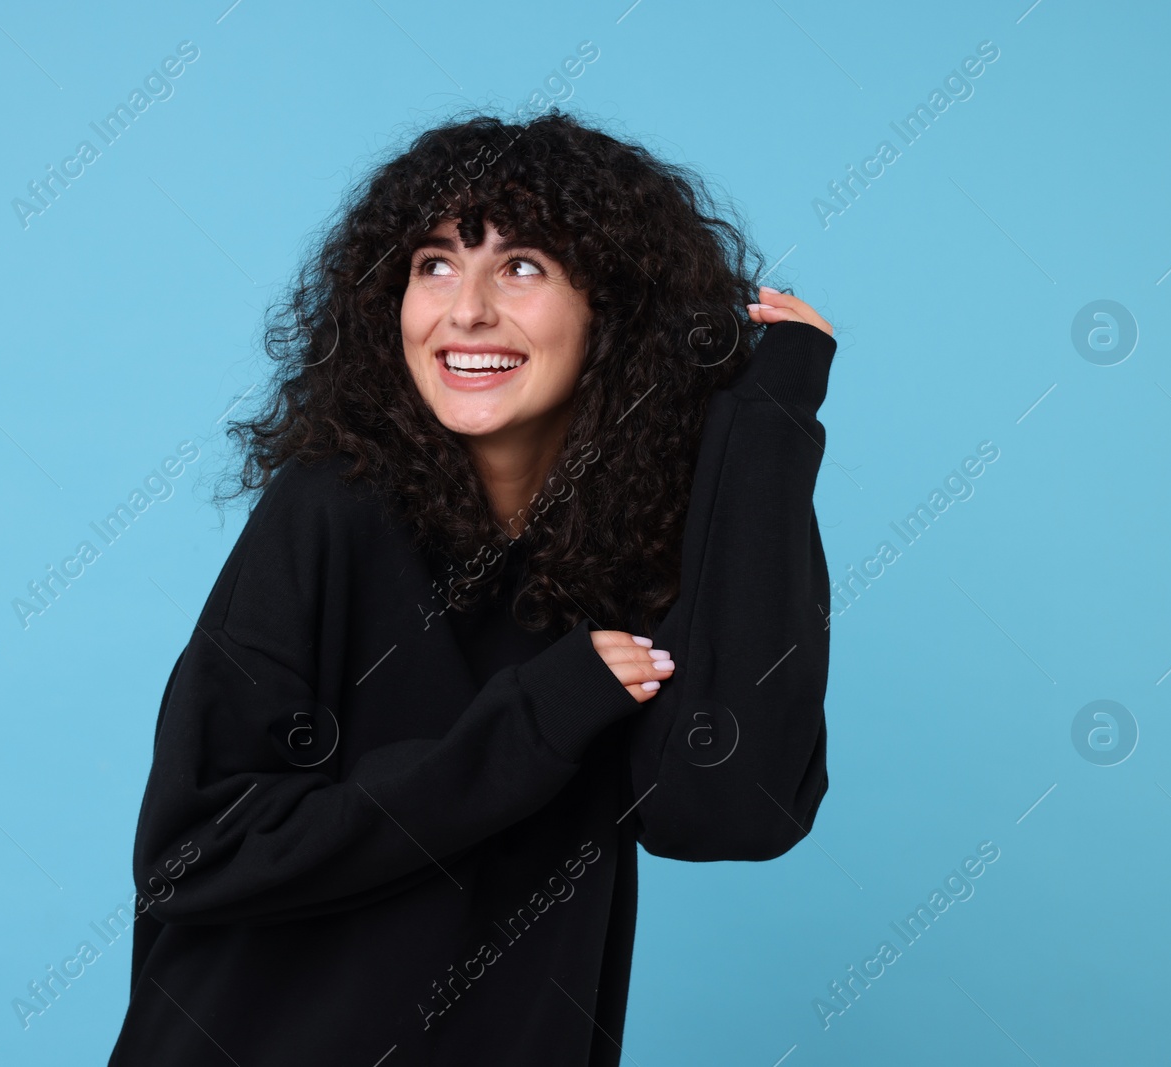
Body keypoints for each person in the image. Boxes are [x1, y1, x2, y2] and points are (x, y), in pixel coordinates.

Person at [107, 108, 837, 1065]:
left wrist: (768, 430)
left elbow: (732, 808)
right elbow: (195, 853)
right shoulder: (331, 513)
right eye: (435, 264)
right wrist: (531, 722)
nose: (467, 309)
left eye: (523, 265)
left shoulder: (631, 556)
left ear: (610, 306)